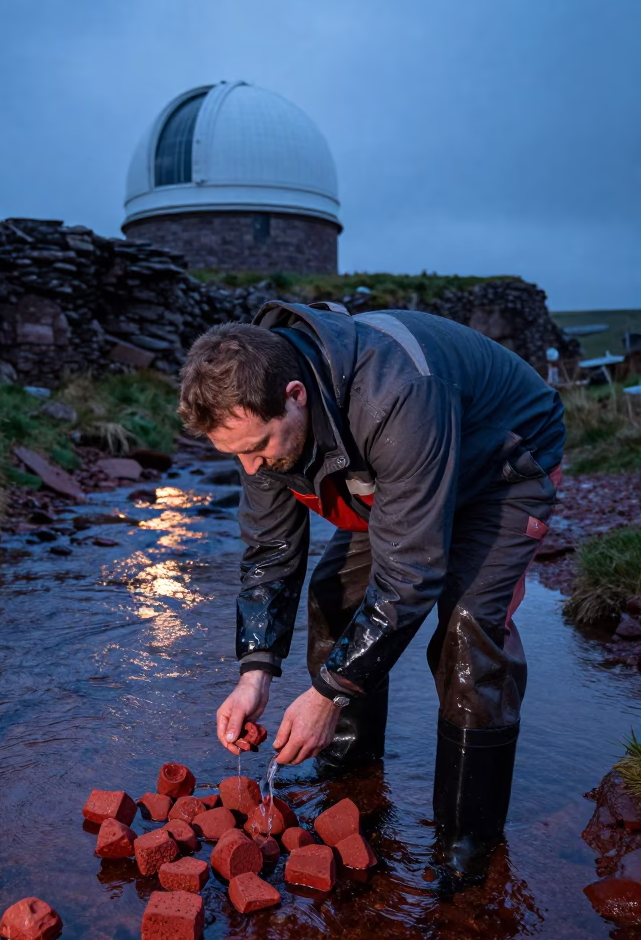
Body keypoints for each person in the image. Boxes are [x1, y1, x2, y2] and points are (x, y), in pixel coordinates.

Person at [178, 300, 565, 881]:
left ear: (295, 394)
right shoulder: (255, 413)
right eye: (236, 455)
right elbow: (272, 551)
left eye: (258, 448)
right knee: (334, 593)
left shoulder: (397, 392)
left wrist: (327, 693)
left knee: (468, 633)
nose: (253, 470)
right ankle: (349, 776)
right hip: (396, 474)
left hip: (500, 470)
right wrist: (253, 674)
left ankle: (467, 840)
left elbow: (410, 575)